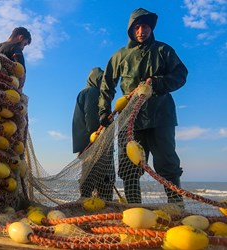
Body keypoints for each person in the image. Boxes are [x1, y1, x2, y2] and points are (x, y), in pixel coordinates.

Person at [98, 8, 188, 204]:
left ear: (151, 28)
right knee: (129, 166)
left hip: (161, 116)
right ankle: (133, 207)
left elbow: (181, 75)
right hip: (130, 119)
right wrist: (104, 110)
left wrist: (159, 83)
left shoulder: (164, 51)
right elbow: (107, 85)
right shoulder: (119, 56)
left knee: (167, 164)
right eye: (137, 27)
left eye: (145, 26)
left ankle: (177, 207)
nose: (141, 31)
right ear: (131, 30)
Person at [72, 67, 114, 200]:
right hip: (93, 141)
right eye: (103, 80)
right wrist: (97, 136)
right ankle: (104, 203)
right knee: (103, 175)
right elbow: (90, 116)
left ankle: (86, 200)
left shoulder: (84, 92)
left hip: (85, 142)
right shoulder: (93, 92)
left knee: (88, 173)